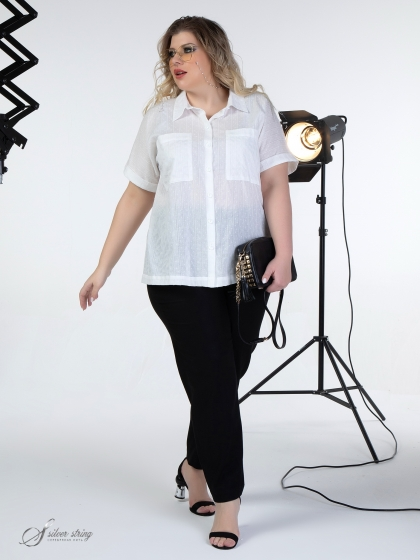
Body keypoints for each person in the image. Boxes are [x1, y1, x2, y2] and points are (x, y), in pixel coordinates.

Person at [79, 15, 298, 550]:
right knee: (218, 387)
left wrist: (285, 253)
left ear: (213, 53)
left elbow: (274, 184)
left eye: (187, 49)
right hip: (177, 275)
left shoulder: (256, 110)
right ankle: (229, 503)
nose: (176, 60)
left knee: (219, 384)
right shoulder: (160, 119)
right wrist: (103, 267)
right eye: (171, 53)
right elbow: (137, 195)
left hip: (243, 275)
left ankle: (192, 466)